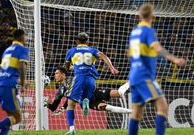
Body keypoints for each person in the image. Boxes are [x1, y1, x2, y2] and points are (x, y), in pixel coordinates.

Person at [128, 4, 186, 135]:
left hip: (133, 75)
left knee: (136, 113)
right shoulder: (148, 31)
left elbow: (130, 53)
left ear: (139, 16)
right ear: (153, 16)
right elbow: (157, 47)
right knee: (162, 107)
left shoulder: (134, 32)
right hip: (144, 76)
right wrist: (175, 59)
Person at [65, 32, 119, 135]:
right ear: (88, 41)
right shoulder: (92, 50)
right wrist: (111, 68)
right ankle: (85, 101)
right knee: (84, 102)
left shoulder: (71, 51)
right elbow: (104, 56)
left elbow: (66, 67)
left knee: (70, 104)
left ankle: (72, 129)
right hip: (91, 80)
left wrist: (74, 67)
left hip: (79, 78)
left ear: (76, 41)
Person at [0, 29, 29, 135]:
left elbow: (6, 69)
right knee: (17, 118)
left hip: (0, 84)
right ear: (22, 37)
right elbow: (21, 67)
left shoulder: (7, 50)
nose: (26, 39)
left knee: (10, 118)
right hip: (9, 85)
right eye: (25, 37)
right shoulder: (22, 49)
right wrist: (22, 82)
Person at [44, 67, 131, 115]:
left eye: (56, 73)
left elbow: (72, 94)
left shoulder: (73, 79)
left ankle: (131, 82)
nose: (55, 75)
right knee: (108, 108)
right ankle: (132, 112)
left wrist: (64, 106)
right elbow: (54, 107)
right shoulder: (60, 91)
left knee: (119, 93)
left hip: (94, 92)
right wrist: (47, 104)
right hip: (90, 102)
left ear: (63, 74)